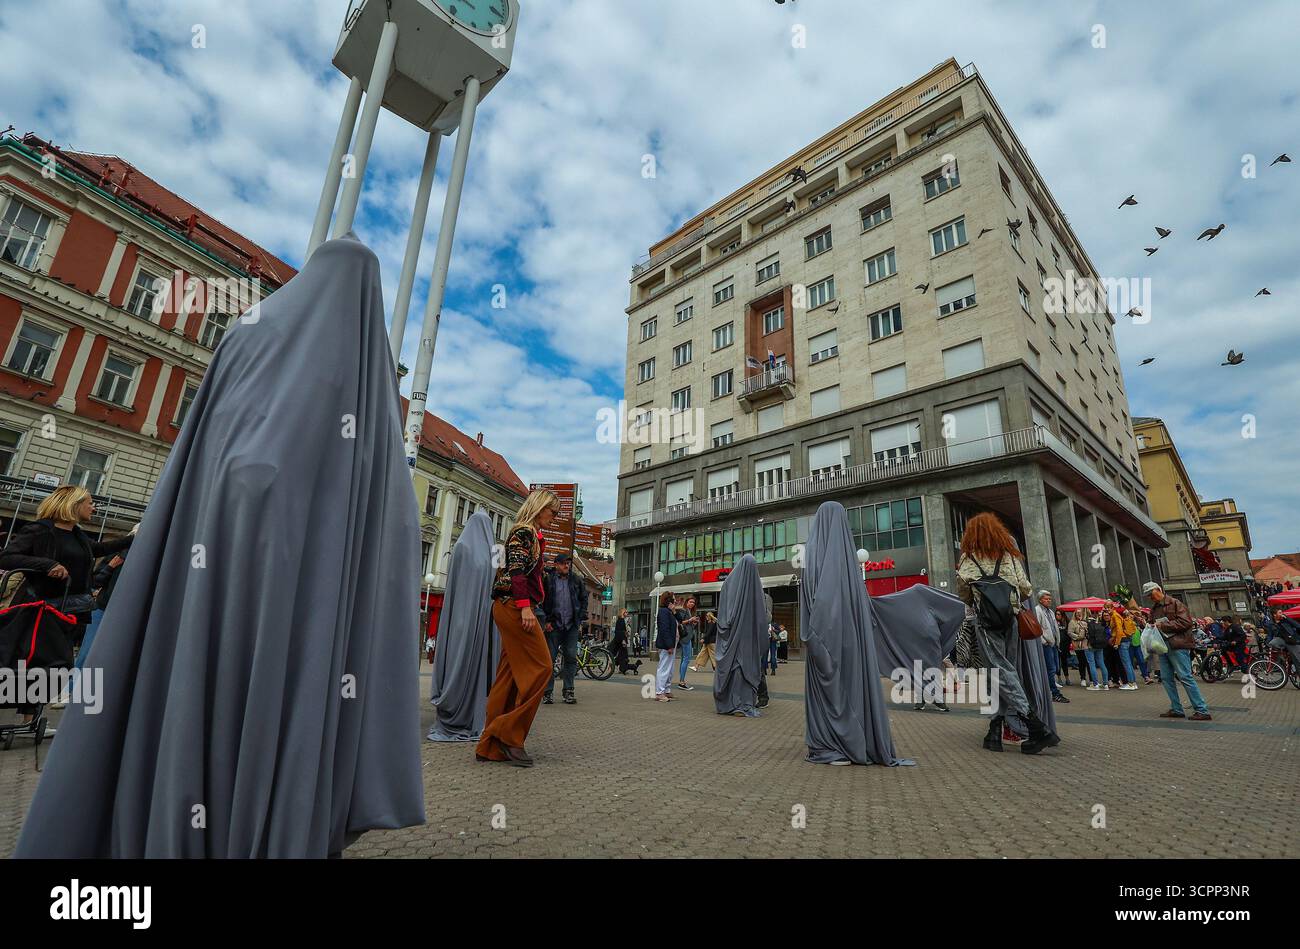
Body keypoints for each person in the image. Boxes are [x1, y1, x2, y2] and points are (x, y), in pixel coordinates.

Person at [0, 486, 134, 724]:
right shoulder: (40, 530)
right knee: (40, 661)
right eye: (90, 503)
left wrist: (135, 538)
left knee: (46, 664)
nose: (94, 507)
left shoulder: (78, 534)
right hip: (41, 608)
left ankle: (29, 720)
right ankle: (25, 715)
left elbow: (99, 549)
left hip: (70, 609)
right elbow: (7, 557)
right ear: (73, 504)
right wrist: (47, 564)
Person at [801, 502, 911, 766]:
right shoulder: (848, 563)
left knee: (830, 693)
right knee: (851, 688)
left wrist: (818, 639)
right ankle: (853, 740)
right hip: (851, 642)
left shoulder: (810, 558)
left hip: (823, 640)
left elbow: (816, 605)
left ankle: (829, 743)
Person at [956, 511, 1057, 754]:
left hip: (986, 622)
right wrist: (1008, 599)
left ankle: (1035, 726)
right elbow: (1026, 589)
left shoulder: (969, 559)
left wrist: (980, 598)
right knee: (1002, 671)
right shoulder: (1009, 557)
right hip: (1011, 619)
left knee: (1000, 671)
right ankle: (995, 729)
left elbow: (963, 592)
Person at [478, 489, 563, 766]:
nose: (555, 517)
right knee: (543, 668)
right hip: (515, 607)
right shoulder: (524, 532)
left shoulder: (529, 534)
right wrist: (526, 606)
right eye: (553, 512)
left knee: (510, 675)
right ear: (540, 508)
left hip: (511, 606)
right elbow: (515, 570)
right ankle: (507, 735)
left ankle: (488, 746)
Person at [428, 511, 498, 742]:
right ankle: (479, 711)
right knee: (480, 663)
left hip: (464, 617)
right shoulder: (496, 552)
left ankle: (466, 709)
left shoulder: (461, 547)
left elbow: (454, 587)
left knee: (462, 657)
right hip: (487, 621)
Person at [1144, 582, 1211, 721]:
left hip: (1178, 645)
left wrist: (1162, 624)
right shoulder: (1154, 608)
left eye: (1151, 594)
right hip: (1162, 646)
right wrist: (1147, 623)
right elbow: (1151, 623)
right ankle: (1176, 708)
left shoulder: (1175, 603)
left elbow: (1186, 623)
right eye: (1148, 595)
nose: (1150, 597)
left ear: (1158, 590)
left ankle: (1201, 709)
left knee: (1185, 677)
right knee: (1167, 678)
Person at [712, 555, 767, 717]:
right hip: (747, 640)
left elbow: (724, 617)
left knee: (736, 667)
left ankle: (733, 703)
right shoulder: (754, 588)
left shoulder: (729, 584)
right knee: (743, 668)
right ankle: (742, 703)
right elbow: (762, 619)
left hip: (734, 639)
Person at [542, 552, 587, 706]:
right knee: (549, 660)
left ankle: (568, 691)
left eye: (568, 563)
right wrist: (546, 621)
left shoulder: (576, 580)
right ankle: (547, 693)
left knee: (570, 657)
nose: (566, 565)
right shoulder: (548, 580)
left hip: (571, 626)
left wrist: (579, 619)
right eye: (563, 563)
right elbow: (543, 601)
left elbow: (584, 600)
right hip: (553, 626)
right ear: (556, 565)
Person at [1034, 591, 1069, 703]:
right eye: (1046, 599)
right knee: (1050, 669)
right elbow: (1036, 628)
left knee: (1054, 668)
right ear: (1040, 600)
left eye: (1050, 598)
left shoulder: (1050, 611)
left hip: (1053, 644)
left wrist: (1056, 642)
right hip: (1046, 645)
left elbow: (1054, 628)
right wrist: (1044, 642)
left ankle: (1051, 692)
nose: (1049, 600)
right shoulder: (1037, 610)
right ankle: (1054, 693)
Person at [654, 591, 678, 702]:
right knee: (664, 668)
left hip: (670, 644)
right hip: (666, 645)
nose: (675, 601)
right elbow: (665, 629)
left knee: (669, 668)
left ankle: (666, 690)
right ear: (669, 601)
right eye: (674, 599)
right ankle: (660, 692)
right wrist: (669, 645)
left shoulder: (668, 612)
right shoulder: (664, 612)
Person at [1109, 605, 1140, 690]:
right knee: (1128, 662)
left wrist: (1117, 643)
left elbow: (1119, 629)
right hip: (1127, 639)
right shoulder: (1126, 617)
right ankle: (1133, 682)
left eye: (1109, 607)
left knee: (1126, 663)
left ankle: (1130, 683)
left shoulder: (1115, 616)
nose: (1107, 609)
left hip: (1122, 640)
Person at [1083, 607, 1110, 691]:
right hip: (1100, 645)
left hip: (1090, 645)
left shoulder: (1086, 622)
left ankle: (1095, 684)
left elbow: (1084, 634)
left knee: (1092, 664)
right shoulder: (1101, 622)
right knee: (1102, 663)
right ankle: (1105, 684)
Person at [674, 595, 698, 690]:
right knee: (687, 659)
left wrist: (693, 622)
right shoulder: (684, 611)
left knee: (684, 658)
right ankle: (681, 682)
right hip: (685, 638)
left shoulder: (689, 611)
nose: (692, 604)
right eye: (690, 602)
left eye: (693, 602)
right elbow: (680, 622)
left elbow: (688, 624)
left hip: (687, 637)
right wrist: (690, 620)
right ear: (686, 602)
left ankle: (681, 680)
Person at [610, 608, 640, 676]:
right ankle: (622, 668)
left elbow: (621, 631)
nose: (627, 613)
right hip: (621, 641)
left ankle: (614, 665)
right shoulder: (621, 620)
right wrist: (623, 640)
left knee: (621, 655)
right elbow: (619, 631)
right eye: (626, 612)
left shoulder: (622, 620)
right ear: (623, 613)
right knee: (624, 655)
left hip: (621, 640)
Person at [1066, 609, 1091, 687]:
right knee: (1082, 662)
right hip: (1078, 645)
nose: (1079, 614)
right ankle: (1083, 678)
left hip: (1086, 644)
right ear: (1075, 614)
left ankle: (1092, 679)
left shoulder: (1085, 622)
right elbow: (1069, 632)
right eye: (1077, 613)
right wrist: (1078, 637)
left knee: (1089, 662)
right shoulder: (1072, 622)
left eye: (1080, 613)